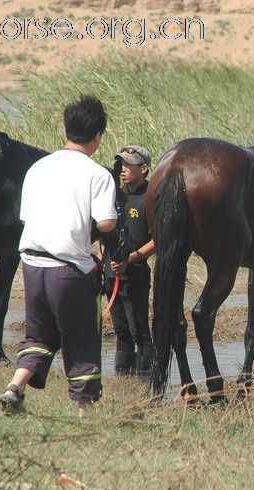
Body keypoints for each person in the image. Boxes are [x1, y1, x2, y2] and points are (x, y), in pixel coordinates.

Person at [0, 95, 117, 416]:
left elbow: (25, 217)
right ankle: (84, 416)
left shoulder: (37, 167)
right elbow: (106, 222)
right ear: (97, 137)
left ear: (66, 129)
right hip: (69, 271)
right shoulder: (98, 175)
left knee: (39, 334)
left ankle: (14, 387)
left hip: (33, 265)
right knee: (81, 340)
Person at [103, 145, 156, 377]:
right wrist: (104, 258)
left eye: (128, 165)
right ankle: (122, 378)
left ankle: (146, 381)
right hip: (110, 274)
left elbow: (158, 239)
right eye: (120, 165)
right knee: (121, 331)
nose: (122, 169)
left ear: (143, 168)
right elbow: (105, 229)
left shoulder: (151, 197)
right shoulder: (115, 194)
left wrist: (131, 259)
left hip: (135, 274)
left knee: (140, 332)